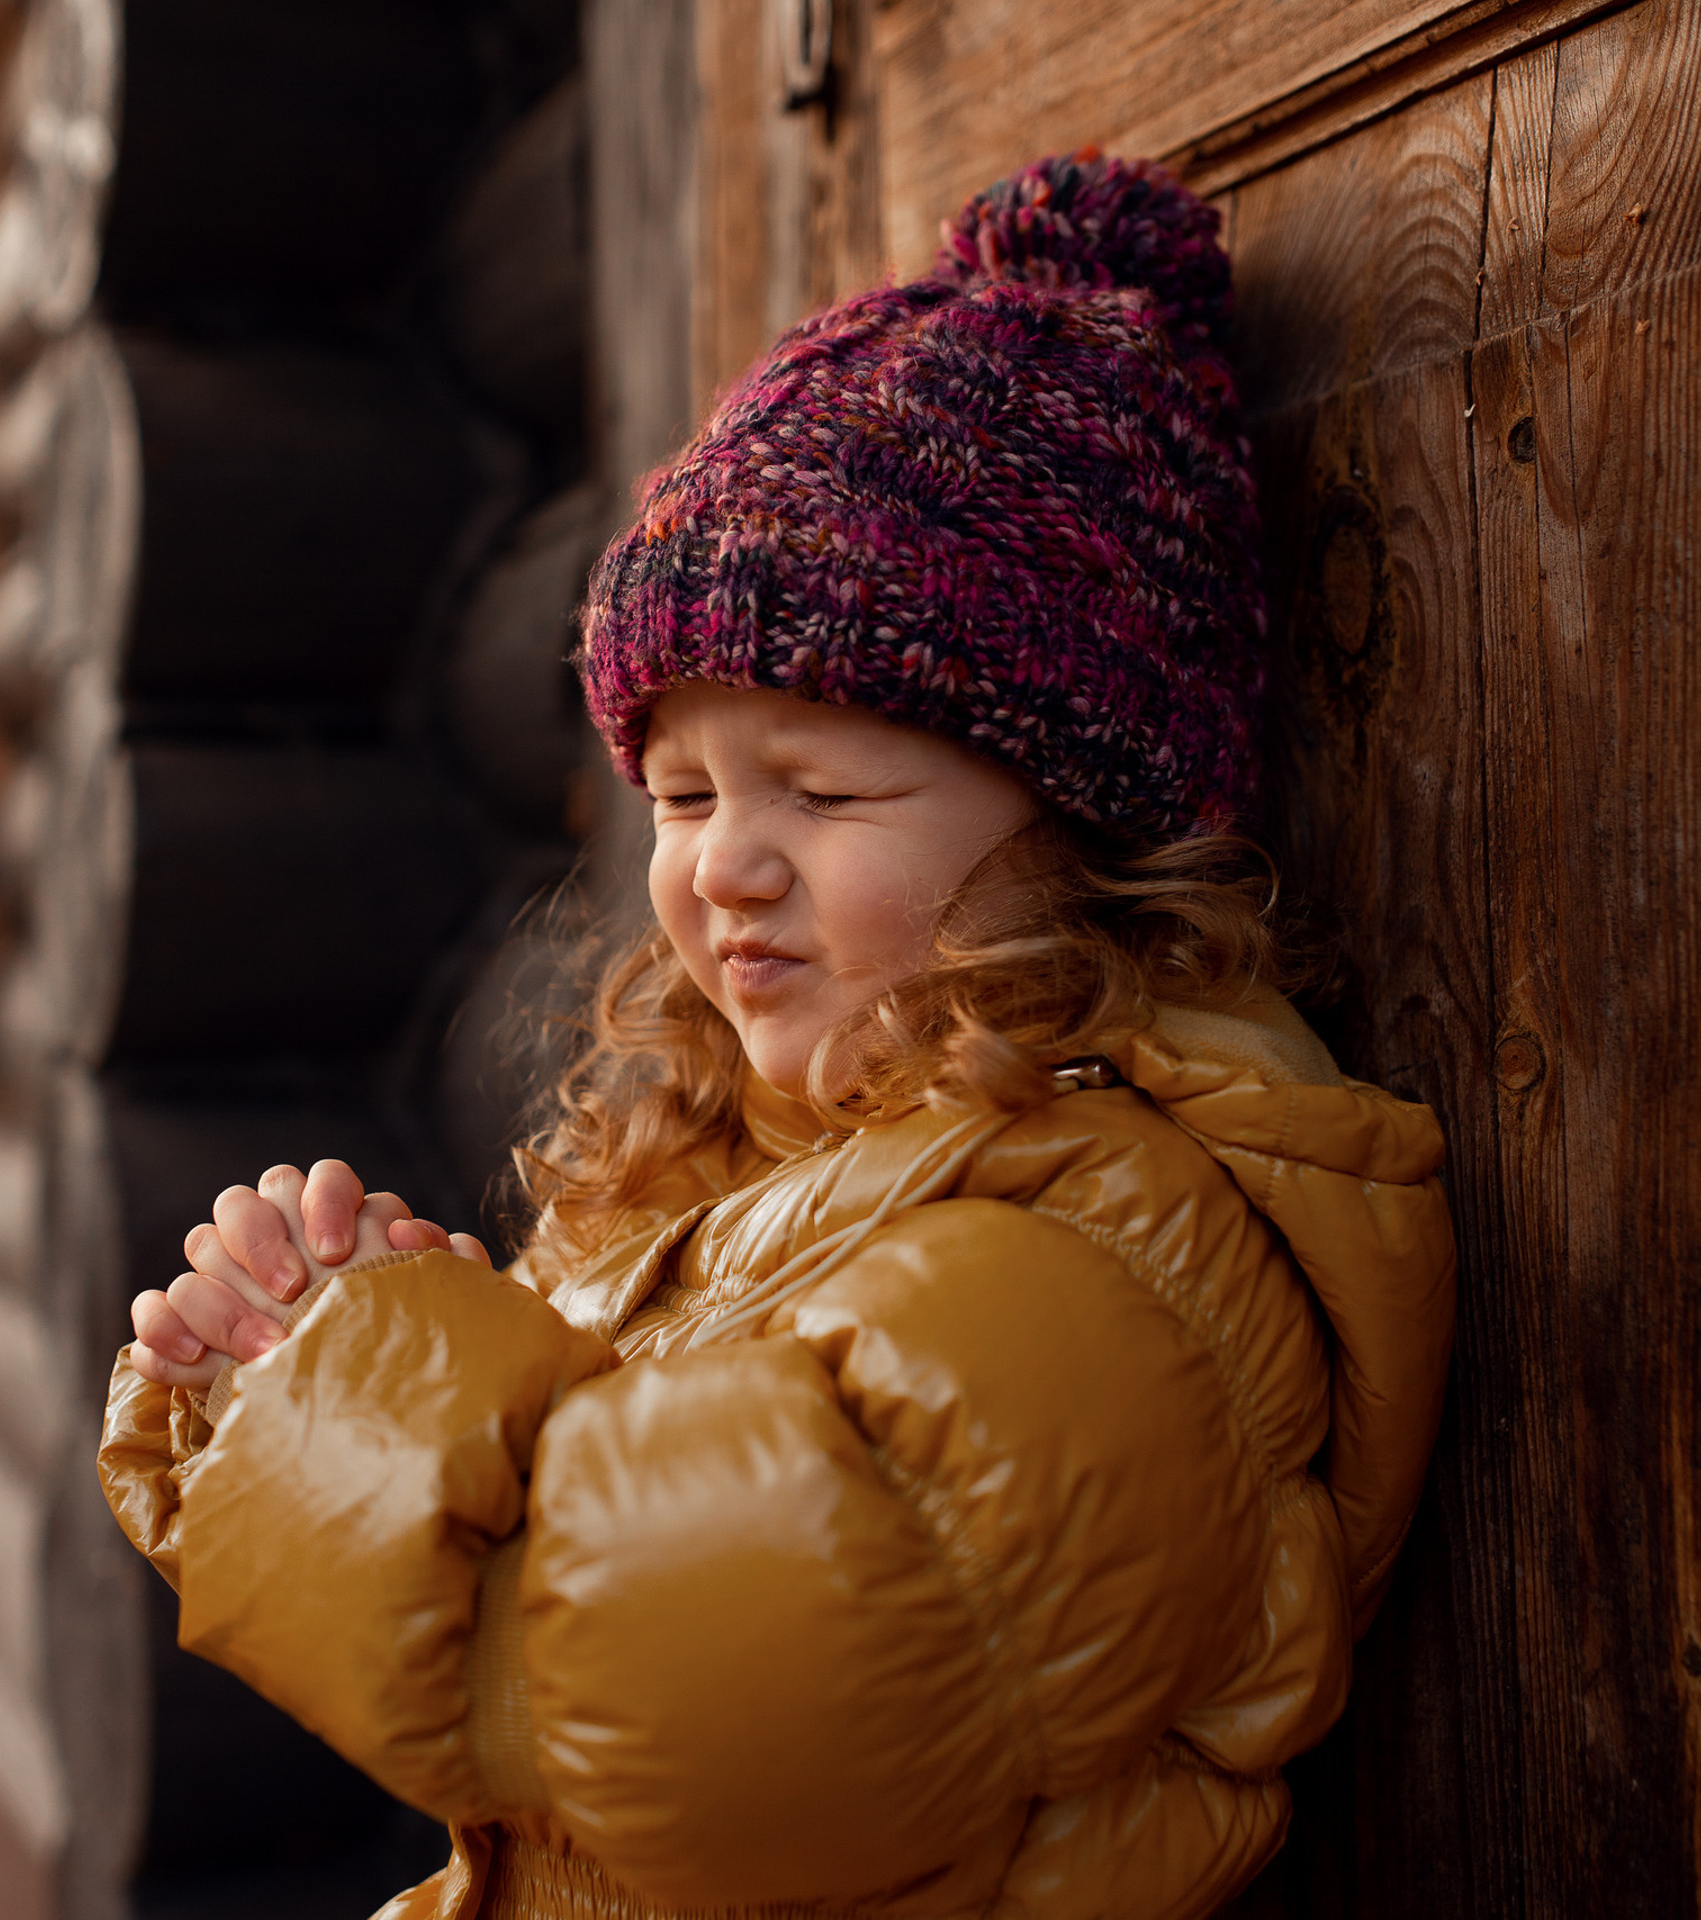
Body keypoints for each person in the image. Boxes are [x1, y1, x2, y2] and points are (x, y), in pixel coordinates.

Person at [100, 152, 1456, 1920]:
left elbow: (712, 1702)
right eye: (680, 794)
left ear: (1079, 820)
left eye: (818, 790)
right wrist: (311, 1363)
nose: (721, 866)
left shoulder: (1121, 1254)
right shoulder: (748, 1166)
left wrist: (354, 1401)